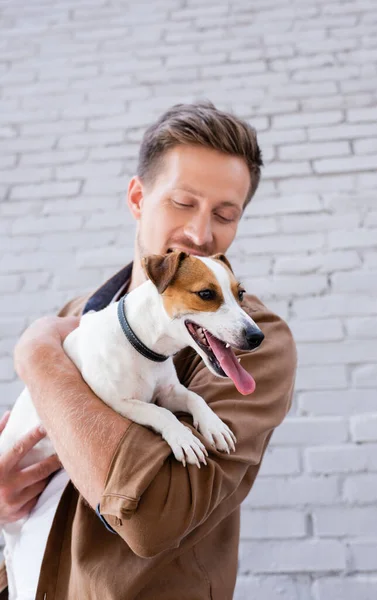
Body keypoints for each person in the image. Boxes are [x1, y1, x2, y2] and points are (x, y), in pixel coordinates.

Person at [0, 101, 297, 599]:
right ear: (138, 198)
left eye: (225, 214)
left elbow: (154, 521)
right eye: (183, 203)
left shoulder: (258, 347)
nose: (202, 235)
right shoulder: (81, 312)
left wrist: (36, 357)